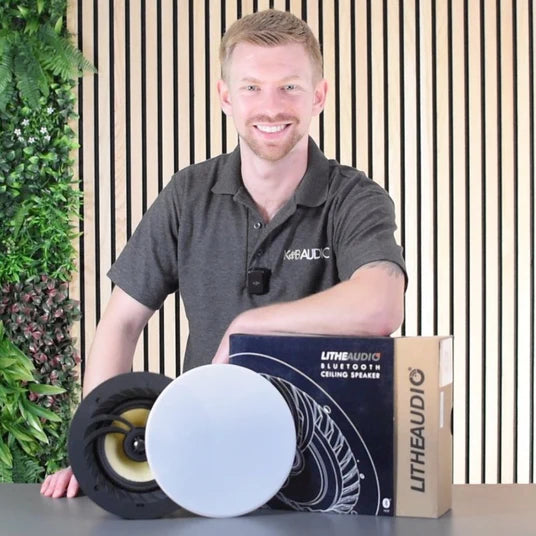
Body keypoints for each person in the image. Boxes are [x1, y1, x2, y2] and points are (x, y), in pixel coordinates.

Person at [40, 8, 406, 500]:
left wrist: (250, 329)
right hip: (204, 465)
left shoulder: (355, 198)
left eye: (290, 87)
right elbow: (122, 321)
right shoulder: (188, 195)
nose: (271, 107)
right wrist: (92, 451)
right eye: (252, 87)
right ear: (226, 97)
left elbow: (381, 304)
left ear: (318, 96)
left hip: (324, 476)